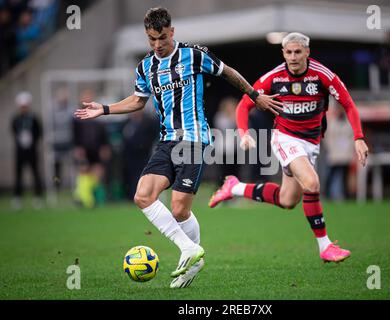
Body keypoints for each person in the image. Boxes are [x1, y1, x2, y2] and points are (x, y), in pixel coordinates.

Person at [74, 7, 282, 288]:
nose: (157, 44)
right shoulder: (146, 67)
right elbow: (138, 101)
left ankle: (190, 257)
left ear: (171, 32)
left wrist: (254, 96)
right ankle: (190, 251)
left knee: (179, 210)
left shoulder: (194, 55)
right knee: (143, 195)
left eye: (161, 37)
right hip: (167, 140)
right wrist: (106, 108)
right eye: (151, 39)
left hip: (195, 138)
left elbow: (227, 72)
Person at [209, 32, 369, 263]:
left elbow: (349, 105)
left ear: (307, 52)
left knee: (287, 200)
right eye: (289, 52)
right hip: (285, 138)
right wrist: (244, 134)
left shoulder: (322, 75)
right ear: (283, 53)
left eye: (298, 52)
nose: (293, 57)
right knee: (312, 183)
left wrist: (359, 137)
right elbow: (244, 105)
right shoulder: (273, 78)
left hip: (311, 142)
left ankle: (234, 188)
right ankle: (325, 246)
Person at [73, 89, 111, 208]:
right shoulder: (77, 118)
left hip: (96, 150)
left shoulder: (98, 116)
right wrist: (77, 148)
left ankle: (87, 197)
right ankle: (84, 198)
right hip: (84, 150)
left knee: (97, 174)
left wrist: (105, 147)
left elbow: (104, 135)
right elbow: (75, 135)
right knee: (84, 172)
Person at [10, 91, 44, 210]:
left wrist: (32, 141)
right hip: (20, 150)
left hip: (32, 150)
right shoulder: (16, 119)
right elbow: (13, 131)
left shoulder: (33, 118)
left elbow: (39, 132)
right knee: (18, 174)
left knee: (35, 173)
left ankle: (38, 197)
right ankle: (18, 198)